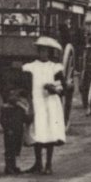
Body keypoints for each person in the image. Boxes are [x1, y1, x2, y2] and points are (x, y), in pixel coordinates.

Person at [23, 36, 67, 174]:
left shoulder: (55, 68)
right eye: (41, 51)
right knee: (38, 132)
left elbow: (62, 88)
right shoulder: (30, 67)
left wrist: (54, 89)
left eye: (46, 51)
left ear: (49, 52)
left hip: (51, 103)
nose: (43, 54)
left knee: (50, 132)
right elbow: (27, 86)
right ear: (38, 52)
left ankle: (48, 164)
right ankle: (38, 163)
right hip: (37, 101)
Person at [0, 66, 32, 175]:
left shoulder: (22, 78)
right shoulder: (6, 81)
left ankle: (12, 164)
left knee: (17, 135)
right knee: (10, 137)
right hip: (8, 110)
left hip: (17, 109)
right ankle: (9, 166)